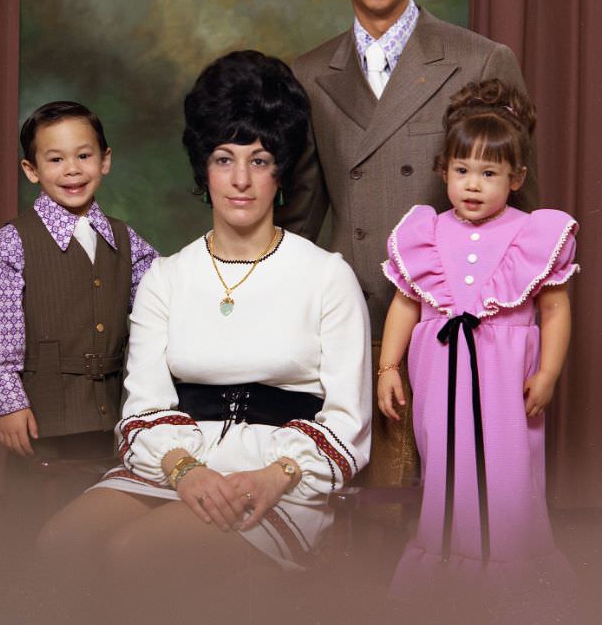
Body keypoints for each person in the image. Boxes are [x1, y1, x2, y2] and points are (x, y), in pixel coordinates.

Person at [38, 51, 371, 574]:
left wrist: (275, 474)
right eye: (223, 158)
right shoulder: (165, 277)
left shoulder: (327, 276)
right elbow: (144, 407)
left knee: (137, 554)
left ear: (280, 172)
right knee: (59, 545)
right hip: (178, 464)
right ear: (204, 168)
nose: (241, 179)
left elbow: (348, 419)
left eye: (258, 160)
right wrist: (185, 470)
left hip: (278, 477)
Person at [278, 0, 539, 486]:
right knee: (352, 500)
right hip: (349, 318)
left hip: (457, 325)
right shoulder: (310, 73)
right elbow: (304, 213)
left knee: (453, 496)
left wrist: (526, 343)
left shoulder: (478, 59)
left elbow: (525, 214)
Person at [377, 78, 578, 593]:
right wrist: (388, 367)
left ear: (516, 178)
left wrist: (549, 372)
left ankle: (510, 581)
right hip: (440, 375)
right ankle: (445, 572)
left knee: (509, 476)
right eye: (462, 170)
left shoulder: (532, 232)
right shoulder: (426, 231)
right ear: (444, 171)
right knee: (446, 469)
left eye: (489, 173)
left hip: (506, 380)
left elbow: (554, 308)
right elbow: (406, 301)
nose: (472, 184)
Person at [0, 101, 158, 465]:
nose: (72, 170)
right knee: (41, 511)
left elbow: (159, 301)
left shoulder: (126, 239)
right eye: (56, 159)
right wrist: (9, 404)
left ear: (104, 160)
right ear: (32, 169)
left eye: (84, 156)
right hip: (44, 424)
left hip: (114, 418)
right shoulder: (11, 243)